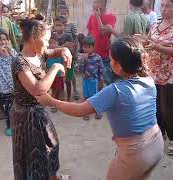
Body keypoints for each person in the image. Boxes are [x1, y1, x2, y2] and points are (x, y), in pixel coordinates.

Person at [36, 36, 164, 180]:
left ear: (119, 65)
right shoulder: (149, 81)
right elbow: (134, 113)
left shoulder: (115, 90)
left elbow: (79, 110)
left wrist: (51, 101)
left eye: (111, 59)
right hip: (156, 144)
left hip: (135, 153)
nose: (109, 62)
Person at [10, 18, 72, 180]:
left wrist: (64, 50)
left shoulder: (40, 53)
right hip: (25, 115)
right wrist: (55, 67)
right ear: (33, 38)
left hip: (38, 111)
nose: (48, 43)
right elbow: (37, 90)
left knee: (52, 145)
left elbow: (55, 51)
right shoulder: (19, 62)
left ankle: (52, 176)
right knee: (33, 155)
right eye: (45, 39)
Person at [138, 0, 173, 155]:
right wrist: (142, 40)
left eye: (168, 6)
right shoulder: (155, 24)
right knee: (156, 106)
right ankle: (160, 134)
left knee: (168, 109)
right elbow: (148, 42)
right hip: (152, 72)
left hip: (168, 74)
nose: (164, 9)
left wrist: (156, 47)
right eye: (163, 6)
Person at [87, 0, 116, 85]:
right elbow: (89, 33)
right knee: (94, 78)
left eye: (96, 2)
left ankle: (111, 96)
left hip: (104, 54)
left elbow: (103, 33)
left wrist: (98, 17)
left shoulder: (111, 17)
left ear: (103, 3)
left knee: (107, 78)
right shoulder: (92, 17)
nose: (93, 5)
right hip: (92, 53)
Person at [58, 5, 80, 100]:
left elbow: (75, 38)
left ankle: (75, 90)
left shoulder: (72, 25)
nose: (63, 15)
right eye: (61, 13)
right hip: (60, 53)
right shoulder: (57, 24)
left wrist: (75, 51)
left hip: (70, 52)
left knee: (71, 73)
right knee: (63, 73)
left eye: (64, 13)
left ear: (68, 14)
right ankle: (62, 93)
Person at [79, 36, 104, 120]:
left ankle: (97, 111)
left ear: (93, 47)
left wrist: (101, 79)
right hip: (86, 80)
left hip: (94, 80)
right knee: (86, 97)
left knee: (95, 97)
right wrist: (83, 61)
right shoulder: (82, 57)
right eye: (84, 47)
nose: (86, 49)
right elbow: (79, 69)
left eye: (88, 47)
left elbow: (101, 69)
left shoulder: (98, 57)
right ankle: (85, 112)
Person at [53, 16, 75, 102]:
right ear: (54, 26)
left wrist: (61, 47)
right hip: (57, 62)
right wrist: (63, 46)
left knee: (68, 80)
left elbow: (71, 48)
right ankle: (57, 99)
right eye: (56, 25)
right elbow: (52, 48)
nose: (58, 27)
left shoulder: (68, 36)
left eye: (60, 25)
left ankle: (68, 98)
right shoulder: (52, 35)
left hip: (67, 61)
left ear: (65, 26)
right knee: (57, 81)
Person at [46, 36, 65, 113]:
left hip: (59, 76)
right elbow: (45, 65)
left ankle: (58, 102)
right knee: (53, 90)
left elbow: (63, 64)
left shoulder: (60, 54)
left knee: (59, 89)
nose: (52, 45)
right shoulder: (46, 54)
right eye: (50, 43)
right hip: (51, 76)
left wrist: (64, 74)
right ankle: (54, 104)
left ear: (58, 44)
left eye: (54, 43)